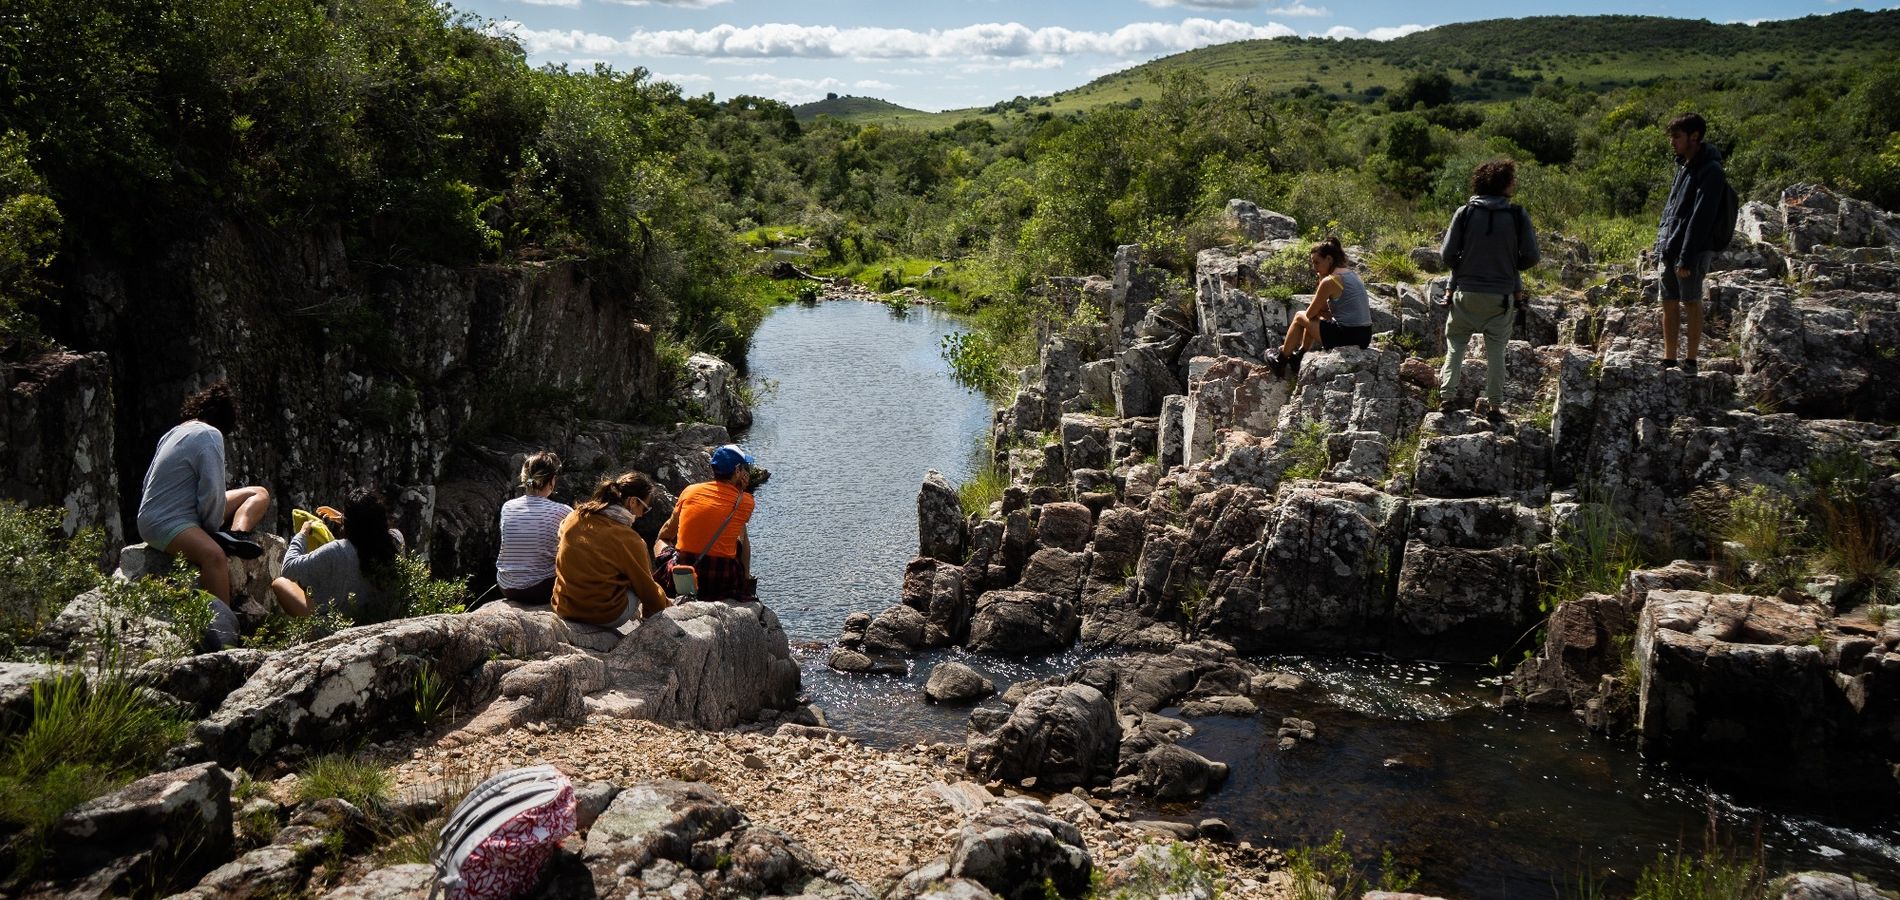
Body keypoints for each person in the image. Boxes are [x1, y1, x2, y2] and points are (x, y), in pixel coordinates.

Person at [135, 380, 272, 612]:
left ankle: (236, 536)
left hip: (156, 514)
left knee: (258, 492)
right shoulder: (210, 435)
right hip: (168, 521)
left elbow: (148, 482)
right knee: (214, 557)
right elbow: (211, 490)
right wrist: (210, 530)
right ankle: (223, 628)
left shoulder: (172, 433)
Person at [1438, 158, 1540, 416]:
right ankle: (1494, 404)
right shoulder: (1517, 214)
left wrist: (1466, 267)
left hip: (1466, 294)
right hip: (1500, 297)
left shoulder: (1465, 213)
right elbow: (1531, 256)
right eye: (1512, 180)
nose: (1515, 183)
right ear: (1504, 183)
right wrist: (1509, 265)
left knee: (1456, 344)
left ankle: (1447, 397)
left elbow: (1447, 254)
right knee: (1496, 351)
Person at [1654, 112, 1728, 376]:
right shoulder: (1683, 166)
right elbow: (1671, 210)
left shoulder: (1711, 171)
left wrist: (1686, 256)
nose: (1672, 142)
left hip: (1692, 250)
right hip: (1670, 245)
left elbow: (1701, 217)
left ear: (1694, 137)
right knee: (1669, 300)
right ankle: (1669, 358)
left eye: (1677, 137)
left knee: (1692, 300)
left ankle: (1692, 361)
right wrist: (1661, 245)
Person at [551, 472, 671, 627]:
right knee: (636, 575)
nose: (642, 515)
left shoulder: (574, 516)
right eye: (645, 508)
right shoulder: (629, 539)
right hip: (604, 614)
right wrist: (668, 605)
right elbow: (647, 591)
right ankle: (647, 618)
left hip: (564, 606)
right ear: (633, 501)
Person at [271, 488, 405, 622]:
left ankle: (311, 628)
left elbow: (288, 569)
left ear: (350, 523)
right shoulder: (396, 540)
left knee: (280, 583)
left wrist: (302, 533)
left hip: (336, 626)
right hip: (383, 619)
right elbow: (372, 530)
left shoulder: (338, 551)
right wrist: (343, 518)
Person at [657, 444, 758, 601]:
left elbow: (666, 533)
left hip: (685, 570)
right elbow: (737, 528)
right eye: (744, 468)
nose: (746, 471)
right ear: (737, 471)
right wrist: (741, 492)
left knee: (660, 541)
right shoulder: (746, 501)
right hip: (722, 579)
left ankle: (665, 584)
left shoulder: (690, 491)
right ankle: (746, 581)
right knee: (741, 530)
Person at [1262, 237, 1374, 377]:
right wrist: (1320, 310)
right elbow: (1325, 312)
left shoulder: (1330, 281)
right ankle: (1300, 354)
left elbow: (1309, 314)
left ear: (1329, 259)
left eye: (1316, 262)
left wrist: (1321, 282)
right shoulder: (1352, 274)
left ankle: (1281, 359)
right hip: (1364, 336)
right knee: (1316, 318)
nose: (1314, 268)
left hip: (1347, 336)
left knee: (1299, 316)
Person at [495, 451, 569, 605]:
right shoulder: (563, 511)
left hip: (506, 586)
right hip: (540, 589)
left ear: (525, 478)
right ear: (551, 481)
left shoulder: (508, 507)